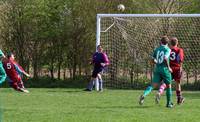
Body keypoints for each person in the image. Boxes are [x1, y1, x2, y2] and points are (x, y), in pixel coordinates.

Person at [139, 36, 173, 108]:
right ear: (168, 43)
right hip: (165, 70)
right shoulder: (168, 49)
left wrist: (156, 63)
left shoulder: (157, 49)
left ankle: (144, 95)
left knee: (152, 85)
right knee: (168, 85)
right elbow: (165, 58)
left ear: (161, 42)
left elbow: (152, 59)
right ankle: (169, 104)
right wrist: (169, 67)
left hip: (157, 69)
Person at [156, 37, 185, 105]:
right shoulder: (179, 50)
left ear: (170, 43)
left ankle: (160, 92)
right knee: (178, 83)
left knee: (166, 83)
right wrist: (180, 67)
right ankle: (179, 99)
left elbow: (165, 58)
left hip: (169, 69)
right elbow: (180, 59)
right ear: (177, 43)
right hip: (177, 69)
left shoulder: (168, 50)